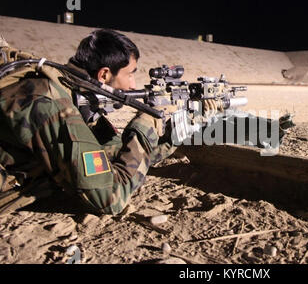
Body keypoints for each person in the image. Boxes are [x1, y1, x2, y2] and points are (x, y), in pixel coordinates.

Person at [0, 29, 185, 215]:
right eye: (129, 74)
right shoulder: (52, 104)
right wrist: (147, 121)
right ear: (104, 75)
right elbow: (110, 199)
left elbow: (121, 154)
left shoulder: (67, 84)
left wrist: (176, 133)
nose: (133, 85)